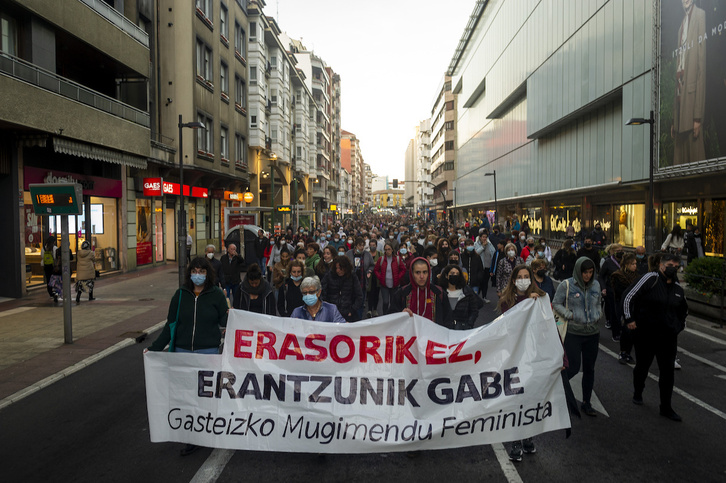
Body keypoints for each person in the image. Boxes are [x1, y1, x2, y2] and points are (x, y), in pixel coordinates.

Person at [147, 256, 228, 455]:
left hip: (207, 352)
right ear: (189, 273)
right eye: (195, 271)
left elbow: (226, 321)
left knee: (205, 396)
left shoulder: (216, 295)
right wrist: (155, 349)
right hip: (182, 353)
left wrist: (230, 312)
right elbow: (171, 325)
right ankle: (193, 436)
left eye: (202, 271)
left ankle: (209, 430)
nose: (198, 275)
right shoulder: (180, 295)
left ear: (208, 274)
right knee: (187, 397)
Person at [623, 253, 688, 421]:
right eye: (669, 264)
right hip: (646, 335)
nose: (673, 267)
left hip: (668, 338)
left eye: (676, 264)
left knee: (667, 373)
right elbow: (629, 296)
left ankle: (666, 407)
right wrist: (629, 319)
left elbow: (683, 311)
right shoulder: (650, 279)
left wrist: (677, 327)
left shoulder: (678, 289)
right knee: (642, 367)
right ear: (661, 265)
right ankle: (638, 392)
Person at [496, 264, 545, 462]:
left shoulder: (540, 298)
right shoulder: (506, 300)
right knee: (516, 399)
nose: (524, 279)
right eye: (520, 276)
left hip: (533, 355)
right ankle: (516, 441)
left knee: (530, 398)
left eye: (527, 276)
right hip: (514, 355)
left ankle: (527, 437)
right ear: (514, 280)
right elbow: (509, 324)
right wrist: (526, 302)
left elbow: (548, 326)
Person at [553, 257, 603, 418]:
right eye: (585, 272)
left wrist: (597, 314)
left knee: (590, 369)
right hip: (573, 333)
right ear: (578, 271)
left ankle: (587, 403)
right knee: (572, 367)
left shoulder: (595, 284)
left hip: (592, 333)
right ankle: (556, 394)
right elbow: (556, 303)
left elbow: (598, 303)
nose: (587, 276)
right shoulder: (567, 285)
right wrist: (569, 315)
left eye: (590, 272)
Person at [671, 0, 706, 166]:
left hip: (692, 107)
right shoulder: (680, 27)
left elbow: (701, 67)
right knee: (679, 171)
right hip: (679, 107)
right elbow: (677, 72)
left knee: (697, 169)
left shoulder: (700, 16)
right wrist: (673, 119)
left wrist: (697, 116)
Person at [390, 257, 448, 326]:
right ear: (412, 274)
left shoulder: (438, 293)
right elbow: (390, 317)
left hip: (434, 335)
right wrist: (400, 315)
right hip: (410, 334)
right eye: (417, 272)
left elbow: (447, 319)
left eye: (425, 272)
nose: (421, 276)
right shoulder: (402, 293)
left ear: (429, 273)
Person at [611, 253, 640, 365]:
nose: (635, 266)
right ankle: (623, 352)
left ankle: (628, 352)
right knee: (626, 329)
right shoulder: (618, 276)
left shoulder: (637, 277)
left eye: (635, 264)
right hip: (622, 305)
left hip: (635, 306)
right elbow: (620, 293)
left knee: (633, 330)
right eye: (632, 264)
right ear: (627, 264)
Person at [322, 255, 364, 322]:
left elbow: (359, 296)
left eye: (340, 268)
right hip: (332, 313)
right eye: (336, 268)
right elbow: (322, 293)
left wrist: (352, 310)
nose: (338, 270)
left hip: (348, 314)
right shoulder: (328, 276)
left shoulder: (352, 276)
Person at [441, 264, 482, 330]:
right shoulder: (441, 292)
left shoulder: (466, 291)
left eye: (457, 274)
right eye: (452, 273)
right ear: (446, 276)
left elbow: (474, 310)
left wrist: (469, 324)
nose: (455, 275)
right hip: (445, 329)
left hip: (462, 328)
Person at [599, 244, 624, 340]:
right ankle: (616, 332)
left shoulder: (625, 261)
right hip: (611, 290)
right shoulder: (608, 262)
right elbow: (601, 276)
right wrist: (603, 288)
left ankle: (622, 329)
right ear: (613, 251)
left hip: (623, 289)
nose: (620, 252)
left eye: (622, 250)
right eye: (618, 250)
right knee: (615, 311)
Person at [374, 243, 407, 315]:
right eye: (386, 250)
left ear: (392, 250)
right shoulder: (381, 259)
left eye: (389, 249)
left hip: (394, 285)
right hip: (384, 284)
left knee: (393, 302)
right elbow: (376, 270)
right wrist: (380, 277)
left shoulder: (397, 259)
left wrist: (398, 277)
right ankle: (384, 315)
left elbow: (403, 269)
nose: (387, 251)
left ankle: (392, 316)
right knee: (385, 302)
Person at [473, 232, 496, 303]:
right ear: (480, 237)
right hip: (480, 267)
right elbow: (476, 253)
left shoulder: (489, 244)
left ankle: (484, 297)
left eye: (486, 237)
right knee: (479, 282)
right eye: (483, 237)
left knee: (485, 283)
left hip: (487, 266)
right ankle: (476, 297)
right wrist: (482, 246)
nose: (484, 238)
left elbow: (493, 252)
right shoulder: (476, 244)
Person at [367, 239, 383, 317]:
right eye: (371, 245)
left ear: (376, 246)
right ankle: (369, 309)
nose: (372, 247)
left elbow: (383, 263)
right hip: (369, 277)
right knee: (369, 293)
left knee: (376, 294)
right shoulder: (367, 254)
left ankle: (375, 309)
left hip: (377, 277)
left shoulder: (380, 254)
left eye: (374, 245)